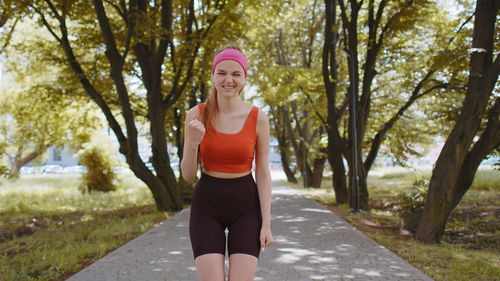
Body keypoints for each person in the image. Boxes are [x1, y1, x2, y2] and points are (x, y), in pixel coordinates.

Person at [180, 45, 274, 281]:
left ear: (244, 78)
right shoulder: (196, 115)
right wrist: (192, 144)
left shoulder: (258, 118)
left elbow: (263, 173)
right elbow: (188, 175)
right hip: (206, 206)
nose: (228, 80)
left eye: (236, 73)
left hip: (246, 208)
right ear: (213, 75)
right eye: (221, 72)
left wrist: (266, 223)